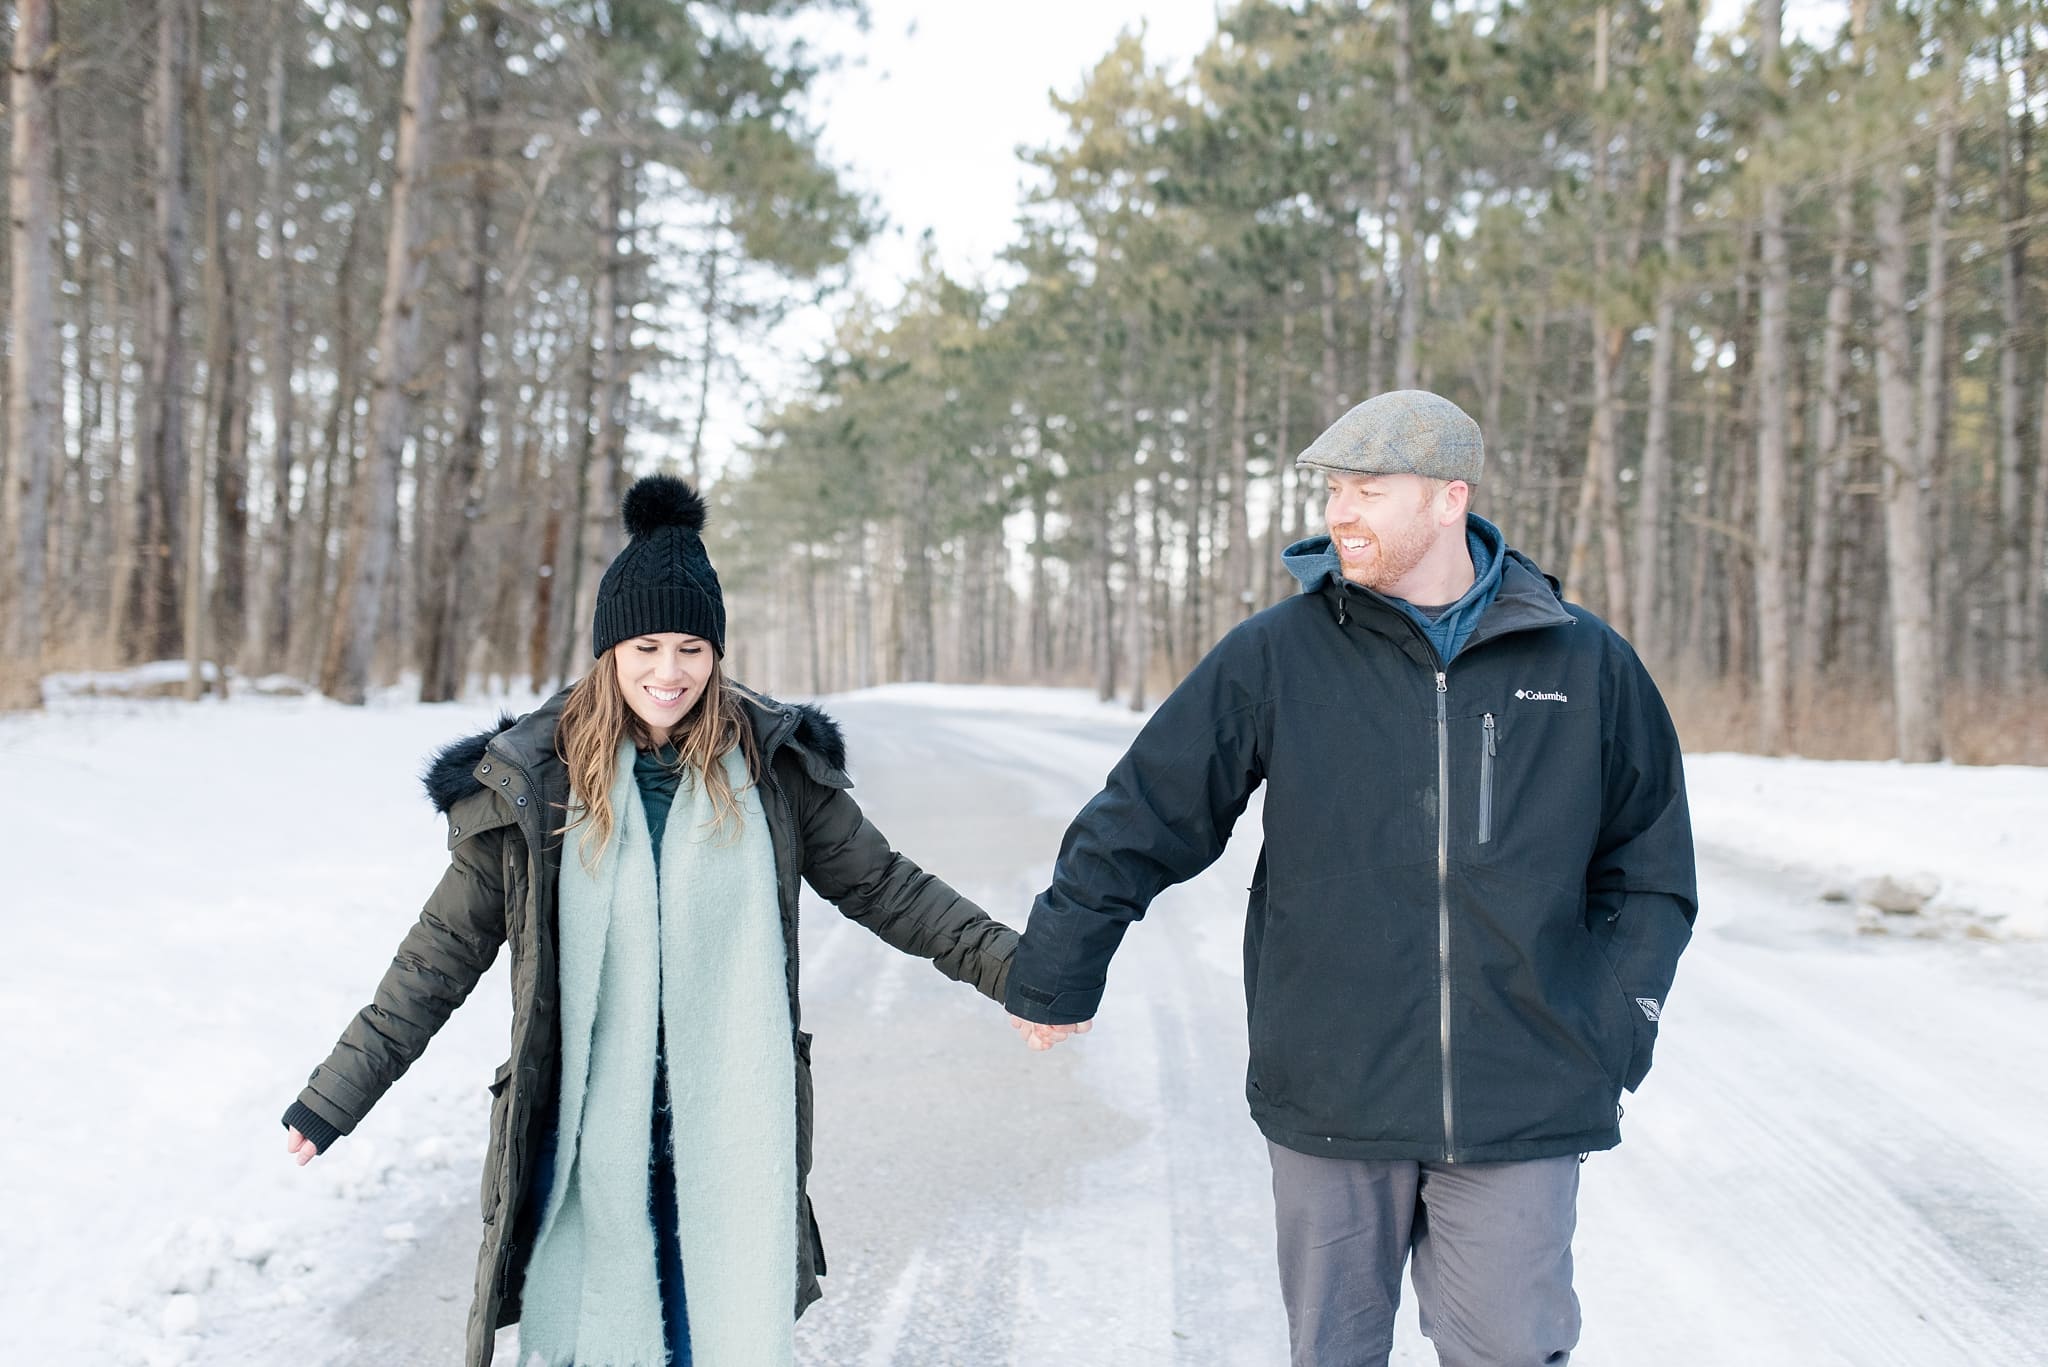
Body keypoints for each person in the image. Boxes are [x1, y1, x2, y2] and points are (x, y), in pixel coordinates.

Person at [1003, 389, 1697, 1367]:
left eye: (1366, 489)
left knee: (1512, 1344)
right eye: (1332, 490)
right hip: (1332, 1088)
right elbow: (1145, 810)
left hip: (1522, 1091)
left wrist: (1614, 1022)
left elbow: (1649, 865)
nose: (1338, 513)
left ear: (1448, 497)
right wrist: (1059, 958)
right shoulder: (1278, 652)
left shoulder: (1583, 661)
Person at [282, 474, 1016, 1367]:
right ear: (609, 650)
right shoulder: (532, 786)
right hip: (591, 1130)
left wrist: (1016, 969)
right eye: (647, 646)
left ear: (716, 653)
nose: (670, 672)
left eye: (692, 648)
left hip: (728, 1131)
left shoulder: (772, 767)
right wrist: (335, 1095)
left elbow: (889, 889)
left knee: (708, 1341)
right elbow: (437, 956)